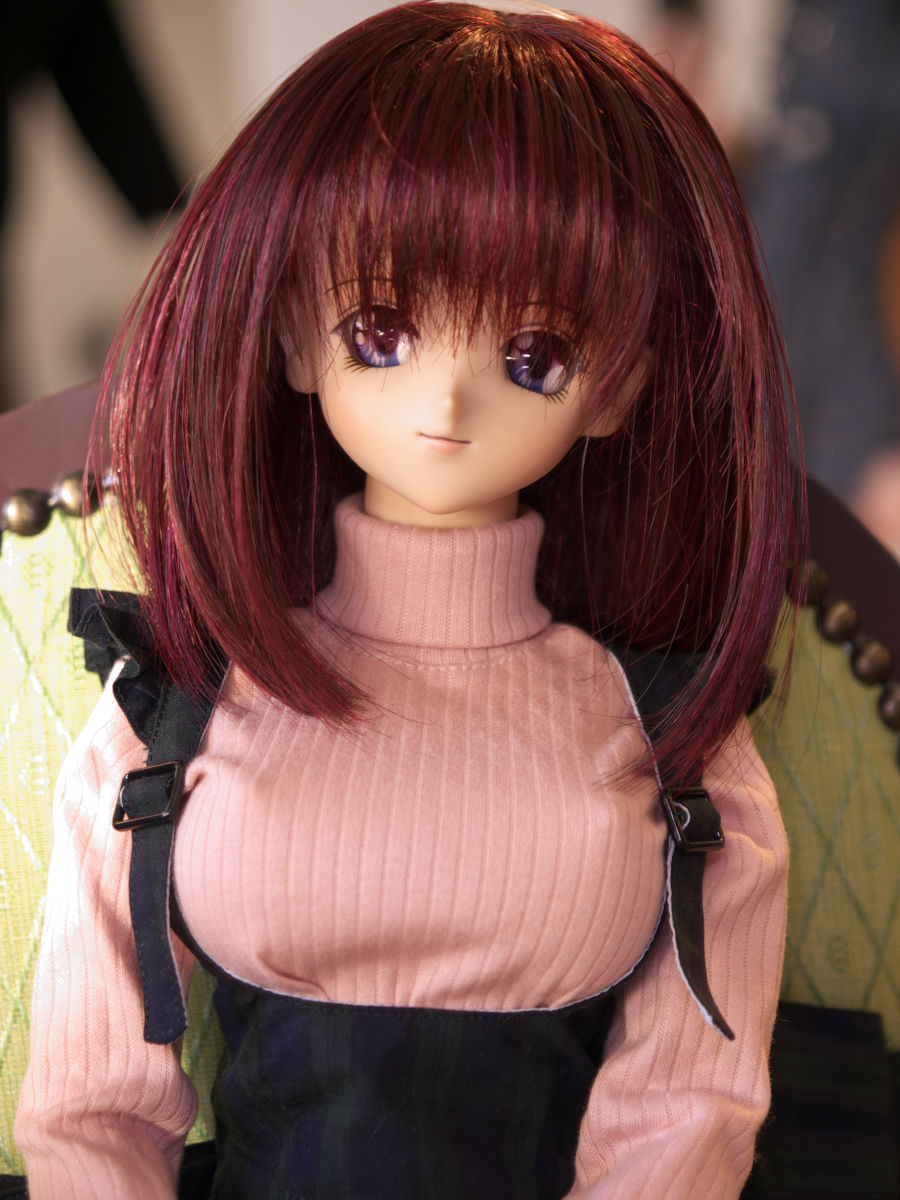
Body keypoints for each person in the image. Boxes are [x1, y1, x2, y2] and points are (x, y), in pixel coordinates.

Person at [15, 3, 798, 1197]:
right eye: (381, 332)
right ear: (294, 337)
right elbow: (91, 1111)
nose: (447, 402)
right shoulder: (173, 708)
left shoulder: (678, 736)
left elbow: (686, 1114)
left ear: (615, 390)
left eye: (534, 357)